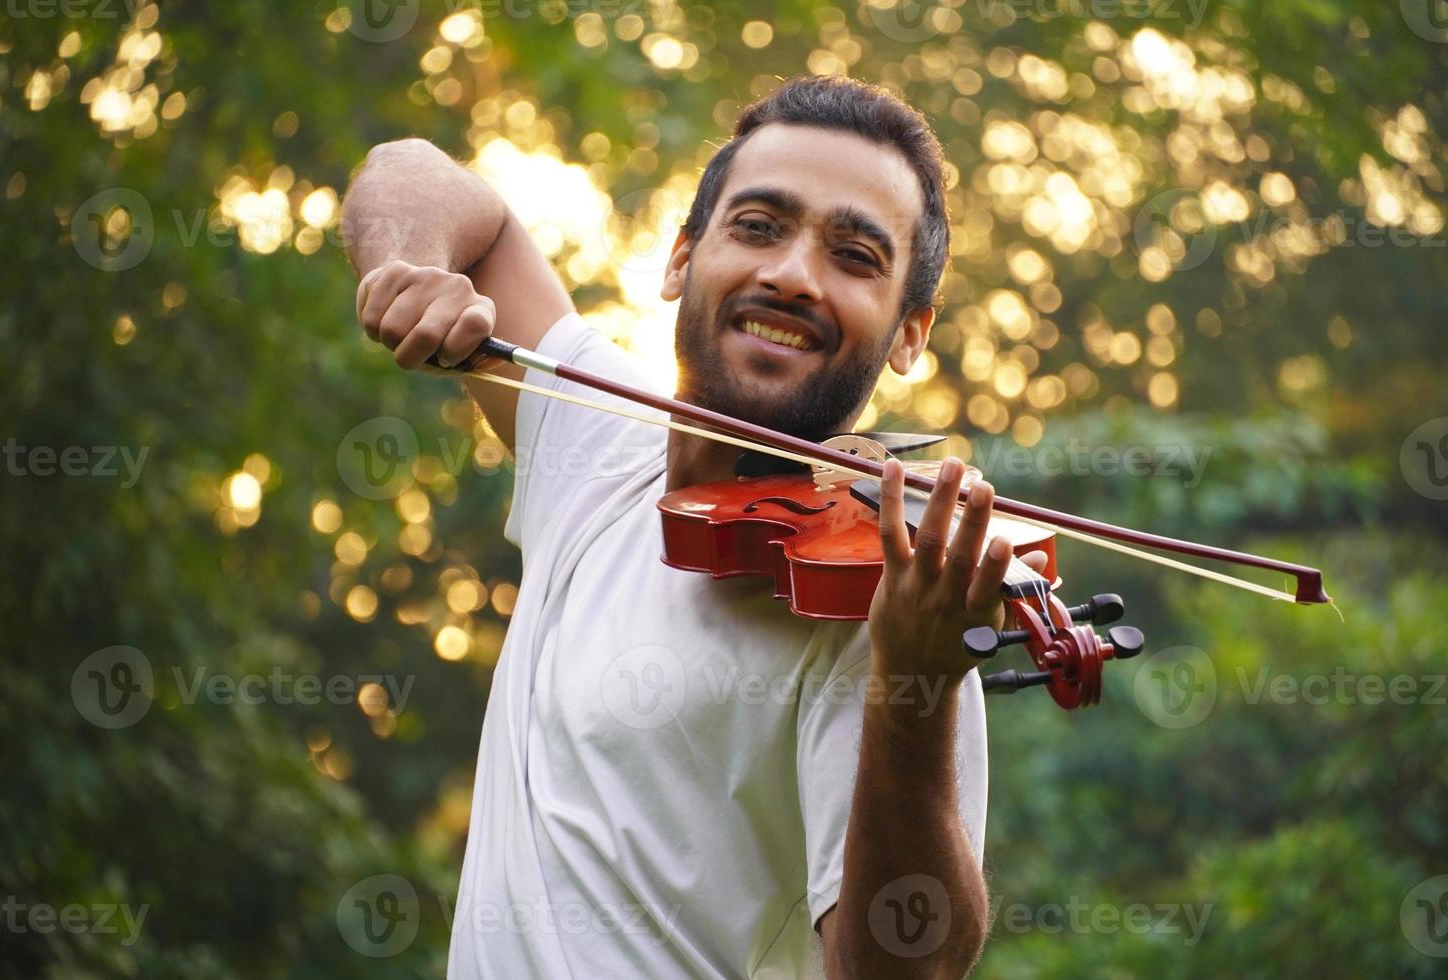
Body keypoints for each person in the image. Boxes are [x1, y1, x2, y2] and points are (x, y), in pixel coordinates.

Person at [345, 75, 1033, 979]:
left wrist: (916, 682)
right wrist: (413, 268)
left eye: (855, 257)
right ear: (679, 259)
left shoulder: (890, 609)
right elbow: (410, 169)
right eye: (758, 227)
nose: (791, 275)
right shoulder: (595, 446)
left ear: (910, 335)